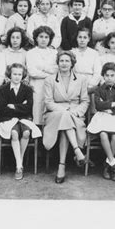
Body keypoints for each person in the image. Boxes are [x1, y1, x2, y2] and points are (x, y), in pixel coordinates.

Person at [43, 51, 90, 183]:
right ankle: (77, 151)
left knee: (65, 124)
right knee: (64, 117)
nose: (64, 63)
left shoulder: (81, 79)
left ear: (72, 63)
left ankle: (61, 166)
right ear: (57, 63)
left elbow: (85, 101)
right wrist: (64, 110)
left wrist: (75, 112)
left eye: (67, 61)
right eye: (61, 61)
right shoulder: (49, 80)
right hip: (55, 114)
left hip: (75, 113)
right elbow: (48, 102)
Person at [0, 63, 41, 180]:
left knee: (26, 133)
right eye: (14, 74)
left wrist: (13, 106)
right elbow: (2, 109)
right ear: (9, 75)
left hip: (24, 118)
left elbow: (29, 107)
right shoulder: (3, 89)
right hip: (8, 119)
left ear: (23, 76)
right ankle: (19, 166)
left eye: (19, 74)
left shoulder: (27, 90)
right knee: (14, 133)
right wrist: (21, 106)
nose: (17, 77)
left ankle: (19, 162)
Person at [86, 62, 115, 181]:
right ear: (103, 76)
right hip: (102, 116)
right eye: (107, 75)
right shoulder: (98, 90)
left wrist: (108, 107)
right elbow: (98, 105)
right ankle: (114, 164)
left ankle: (108, 164)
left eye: (112, 75)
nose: (109, 78)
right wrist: (113, 104)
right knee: (103, 134)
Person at [26, 26, 58, 127]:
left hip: (52, 85)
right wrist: (48, 72)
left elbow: (56, 69)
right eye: (41, 36)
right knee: (37, 109)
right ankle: (37, 135)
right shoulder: (30, 53)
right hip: (36, 85)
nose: (43, 39)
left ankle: (48, 134)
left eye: (46, 37)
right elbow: (32, 72)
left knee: (49, 109)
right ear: (36, 38)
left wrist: (41, 68)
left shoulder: (54, 52)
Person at [71, 28, 102, 94]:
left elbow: (97, 73)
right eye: (80, 37)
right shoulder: (72, 53)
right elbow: (69, 71)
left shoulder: (94, 53)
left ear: (89, 39)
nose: (82, 40)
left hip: (90, 85)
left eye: (85, 37)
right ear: (76, 38)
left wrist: (90, 85)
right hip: (74, 83)